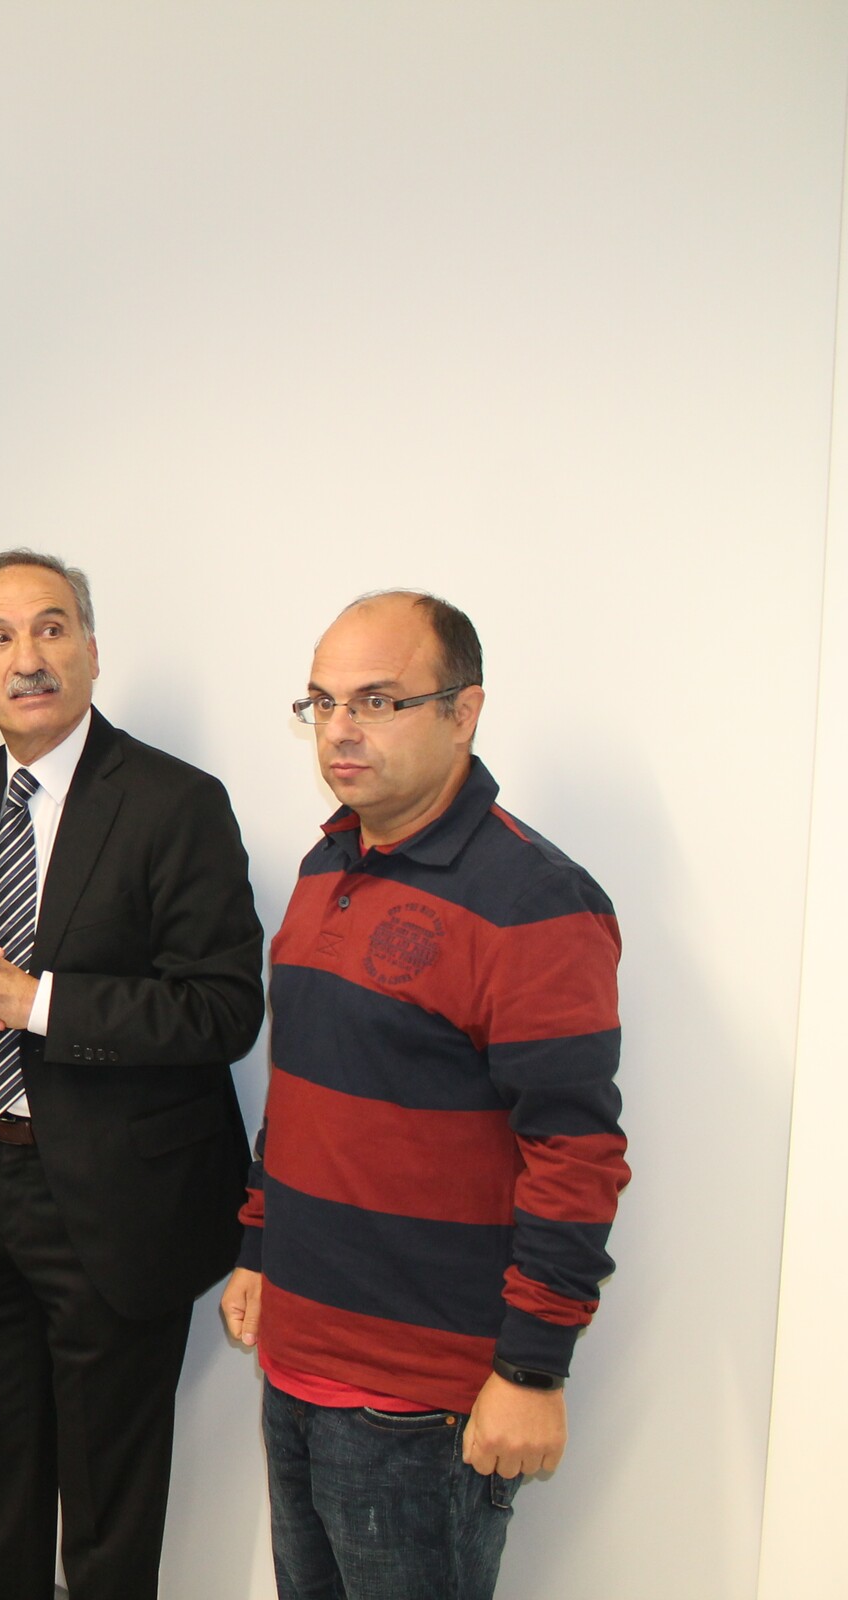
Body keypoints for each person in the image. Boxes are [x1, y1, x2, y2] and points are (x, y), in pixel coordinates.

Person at [221, 591, 628, 1600]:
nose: (340, 730)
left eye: (377, 701)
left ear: (463, 711)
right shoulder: (327, 863)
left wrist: (532, 1370)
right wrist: (260, 1247)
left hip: (421, 1405)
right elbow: (304, 1092)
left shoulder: (534, 900)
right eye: (322, 702)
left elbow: (576, 1156)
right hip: (296, 1359)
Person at [0, 551, 264, 1599]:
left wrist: (41, 1002)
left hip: (119, 1200)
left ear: (93, 651)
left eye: (52, 627)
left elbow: (223, 1009)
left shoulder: (174, 801)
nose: (27, 657)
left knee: (109, 1509)